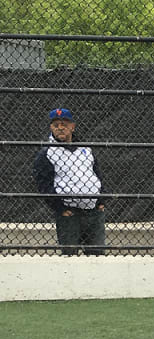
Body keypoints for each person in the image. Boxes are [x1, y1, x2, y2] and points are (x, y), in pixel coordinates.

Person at [33, 108, 106, 256]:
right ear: (51, 128)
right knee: (70, 256)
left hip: (93, 211)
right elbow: (43, 185)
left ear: (72, 126)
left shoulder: (86, 149)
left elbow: (97, 174)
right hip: (69, 213)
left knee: (97, 255)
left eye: (64, 124)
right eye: (56, 125)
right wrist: (60, 208)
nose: (60, 128)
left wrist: (101, 201)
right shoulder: (47, 153)